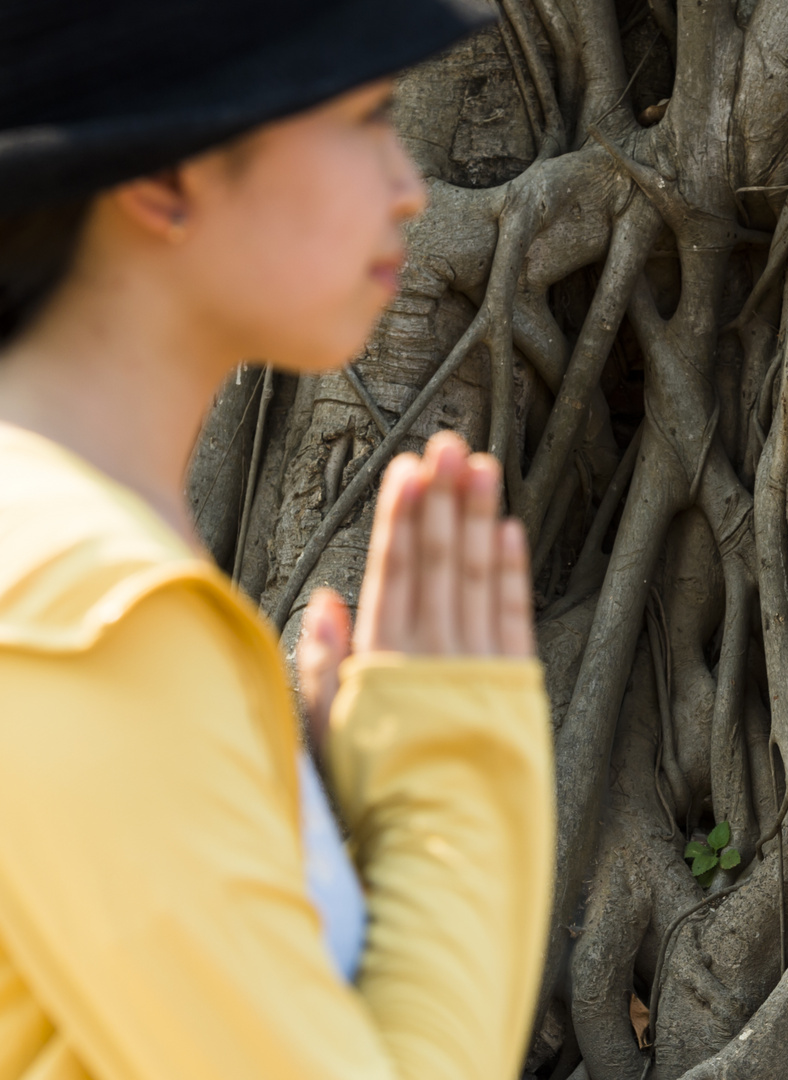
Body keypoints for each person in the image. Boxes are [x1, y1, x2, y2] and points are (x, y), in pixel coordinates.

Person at [0, 3, 555, 1079]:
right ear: (167, 177)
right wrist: (455, 779)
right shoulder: (87, 612)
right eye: (363, 118)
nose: (408, 186)